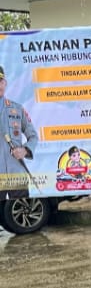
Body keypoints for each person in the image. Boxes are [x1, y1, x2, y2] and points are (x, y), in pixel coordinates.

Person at [0, 66, 38, 199]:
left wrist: (25, 150)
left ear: (5, 83)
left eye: (0, 81)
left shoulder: (17, 109)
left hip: (17, 176)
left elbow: (33, 136)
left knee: (20, 214)